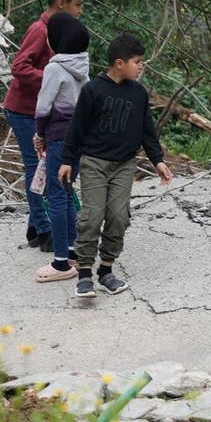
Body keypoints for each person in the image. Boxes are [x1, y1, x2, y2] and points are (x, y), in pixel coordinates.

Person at [58, 32, 170, 304]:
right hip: (94, 163)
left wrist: (158, 160)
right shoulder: (92, 91)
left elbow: (147, 131)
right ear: (119, 63)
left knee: (119, 216)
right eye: (137, 61)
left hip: (124, 165)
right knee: (92, 217)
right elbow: (77, 128)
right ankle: (84, 273)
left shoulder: (139, 93)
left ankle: (106, 269)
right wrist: (67, 160)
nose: (141, 66)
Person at [0, 0, 85, 253]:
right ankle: (45, 229)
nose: (80, 11)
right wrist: (52, 78)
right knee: (36, 168)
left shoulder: (61, 31)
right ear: (62, 4)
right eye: (78, 5)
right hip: (24, 111)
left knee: (42, 168)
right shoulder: (40, 30)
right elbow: (19, 67)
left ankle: (35, 226)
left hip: (43, 112)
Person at [26, 11, 91, 282]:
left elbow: (43, 107)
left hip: (58, 137)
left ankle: (61, 263)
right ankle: (74, 250)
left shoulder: (54, 68)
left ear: (54, 41)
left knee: (56, 195)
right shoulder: (83, 64)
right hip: (78, 137)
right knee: (67, 190)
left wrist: (40, 133)